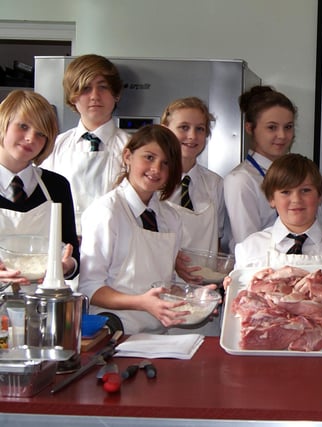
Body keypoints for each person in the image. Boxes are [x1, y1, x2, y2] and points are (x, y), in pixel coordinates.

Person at [233, 153, 322, 337]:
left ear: (320, 196)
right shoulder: (249, 248)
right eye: (285, 192)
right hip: (264, 350)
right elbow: (238, 313)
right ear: (271, 199)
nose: (296, 199)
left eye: (305, 190)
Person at [79, 125, 187, 335]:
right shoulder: (106, 212)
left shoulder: (171, 217)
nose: (156, 168)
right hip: (114, 332)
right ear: (128, 156)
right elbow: (89, 289)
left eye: (165, 163)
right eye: (149, 157)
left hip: (157, 336)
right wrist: (142, 303)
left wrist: (195, 298)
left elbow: (165, 281)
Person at [41, 54, 130, 234]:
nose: (95, 96)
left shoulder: (132, 147)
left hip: (116, 245)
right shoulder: (55, 146)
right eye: (86, 88)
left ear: (116, 94)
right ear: (72, 97)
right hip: (64, 243)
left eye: (103, 87)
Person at [161, 97, 227, 336]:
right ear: (165, 130)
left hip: (203, 295)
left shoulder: (215, 183)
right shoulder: (152, 181)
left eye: (200, 129)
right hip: (164, 295)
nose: (192, 136)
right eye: (183, 127)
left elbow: (217, 238)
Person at [0, 90, 79, 287]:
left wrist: (67, 266)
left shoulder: (56, 186)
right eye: (23, 126)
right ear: (4, 123)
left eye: (41, 134)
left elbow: (72, 253)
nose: (30, 138)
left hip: (41, 302)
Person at [224, 85, 296, 250]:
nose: (282, 135)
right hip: (257, 270)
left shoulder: (295, 175)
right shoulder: (241, 180)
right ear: (250, 128)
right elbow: (249, 245)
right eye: (272, 127)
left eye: (288, 127)